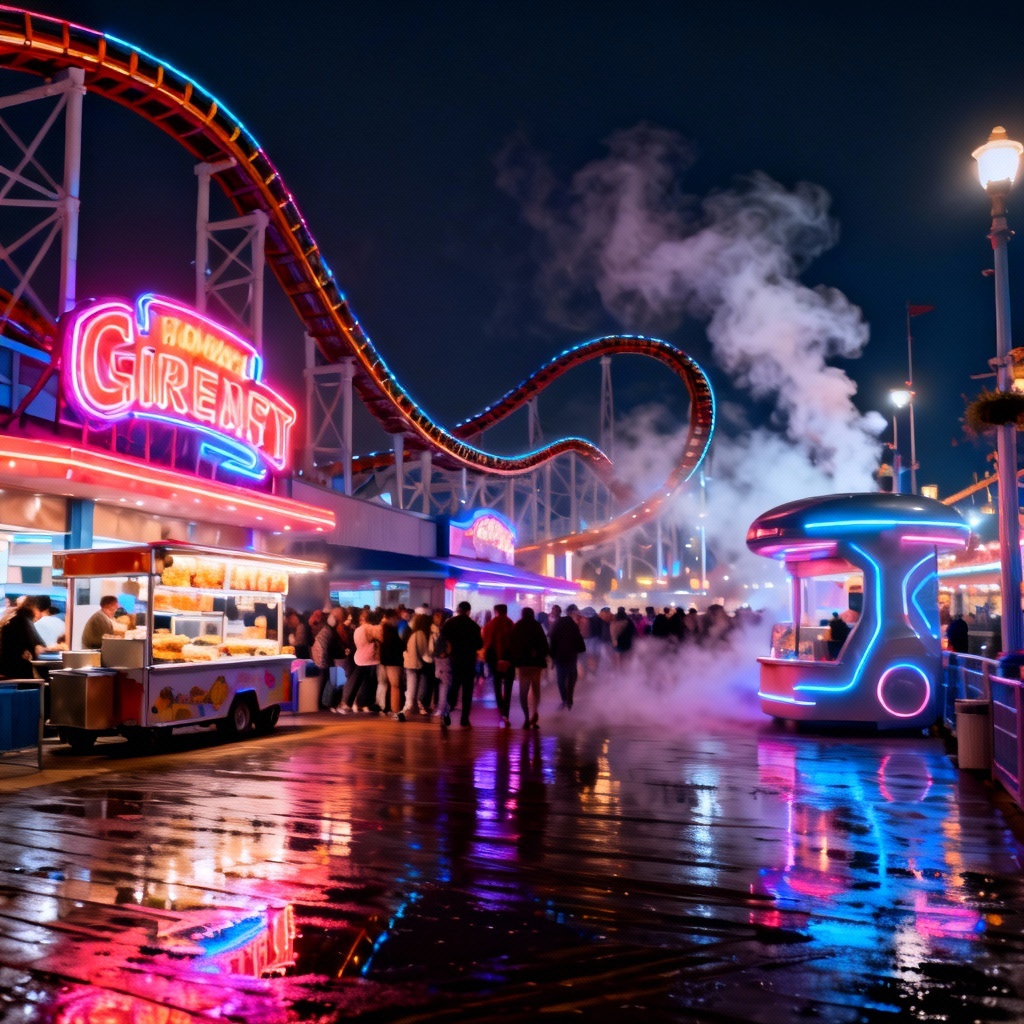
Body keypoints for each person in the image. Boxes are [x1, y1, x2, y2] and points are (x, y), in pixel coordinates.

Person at [439, 601, 482, 728]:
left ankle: (447, 710)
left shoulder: (450, 623)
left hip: (455, 659)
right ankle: (464, 719)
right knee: (468, 689)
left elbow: (442, 638)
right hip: (469, 660)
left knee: (454, 685)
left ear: (458, 610)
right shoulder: (474, 626)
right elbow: (480, 644)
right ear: (469, 611)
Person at [510, 606, 550, 729]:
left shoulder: (518, 626)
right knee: (536, 688)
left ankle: (526, 717)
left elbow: (512, 643)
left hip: (523, 664)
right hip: (536, 663)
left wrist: (514, 659)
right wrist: (541, 655)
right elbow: (544, 643)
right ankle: (535, 711)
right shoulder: (537, 626)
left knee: (523, 691)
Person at [481, 603, 515, 727]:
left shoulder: (489, 625)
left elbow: (485, 642)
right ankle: (506, 712)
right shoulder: (512, 624)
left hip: (494, 660)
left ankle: (500, 708)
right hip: (509, 660)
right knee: (508, 686)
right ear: (506, 611)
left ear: (495, 611)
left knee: (497, 683)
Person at [549, 603, 586, 710]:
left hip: (559, 657)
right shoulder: (573, 626)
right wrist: (580, 649)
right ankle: (569, 697)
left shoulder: (556, 626)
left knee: (561, 678)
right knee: (572, 676)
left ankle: (564, 699)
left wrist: (552, 657)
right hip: (571, 656)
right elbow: (580, 641)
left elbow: (553, 642)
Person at [0, 598, 45, 677]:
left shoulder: (14, 618)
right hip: (16, 673)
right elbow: (37, 647)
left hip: (7, 670)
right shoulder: (23, 620)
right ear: (36, 609)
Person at [311, 609, 344, 709]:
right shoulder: (333, 627)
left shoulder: (326, 626)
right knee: (327, 678)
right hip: (323, 653)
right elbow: (332, 642)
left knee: (324, 678)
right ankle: (324, 702)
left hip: (320, 651)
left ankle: (321, 703)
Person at [402, 612, 432, 715]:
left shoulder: (411, 632)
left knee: (411, 685)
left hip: (409, 661)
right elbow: (423, 651)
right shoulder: (421, 634)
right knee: (420, 682)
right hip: (417, 662)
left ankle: (408, 706)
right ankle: (418, 704)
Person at [379, 607, 406, 719]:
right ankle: (395, 710)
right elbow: (402, 642)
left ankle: (387, 708)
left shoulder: (384, 627)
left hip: (385, 659)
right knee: (395, 686)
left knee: (389, 685)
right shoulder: (399, 626)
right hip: (395, 659)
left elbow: (382, 642)